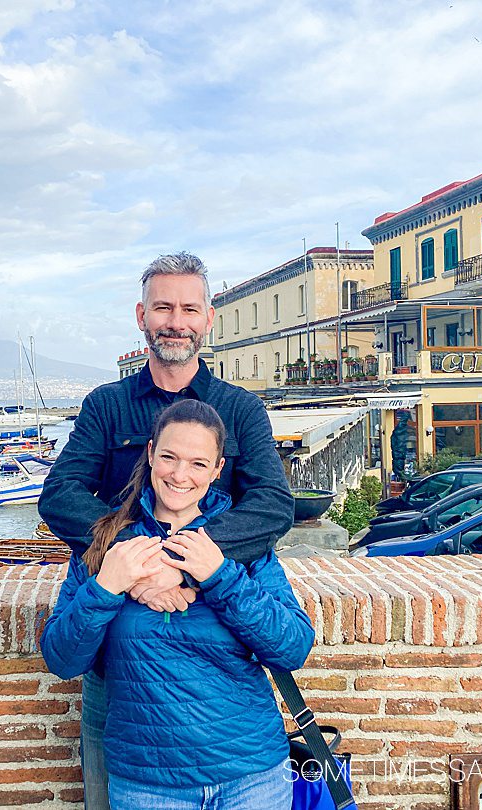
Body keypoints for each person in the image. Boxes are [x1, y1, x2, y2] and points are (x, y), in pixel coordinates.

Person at [38, 252, 294, 808]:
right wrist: (132, 559)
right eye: (163, 307)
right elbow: (58, 496)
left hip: (221, 664)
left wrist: (187, 562)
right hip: (119, 659)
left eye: (188, 308)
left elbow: (274, 507)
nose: (175, 320)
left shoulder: (241, 410)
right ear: (141, 316)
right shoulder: (106, 406)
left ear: (208, 319)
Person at [41, 401, 313, 809]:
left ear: (218, 470)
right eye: (169, 457)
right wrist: (108, 586)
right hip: (147, 782)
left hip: (250, 775)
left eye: (198, 464)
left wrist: (219, 575)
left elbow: (292, 646)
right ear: (150, 453)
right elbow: (63, 659)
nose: (180, 475)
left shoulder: (241, 544)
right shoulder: (107, 541)